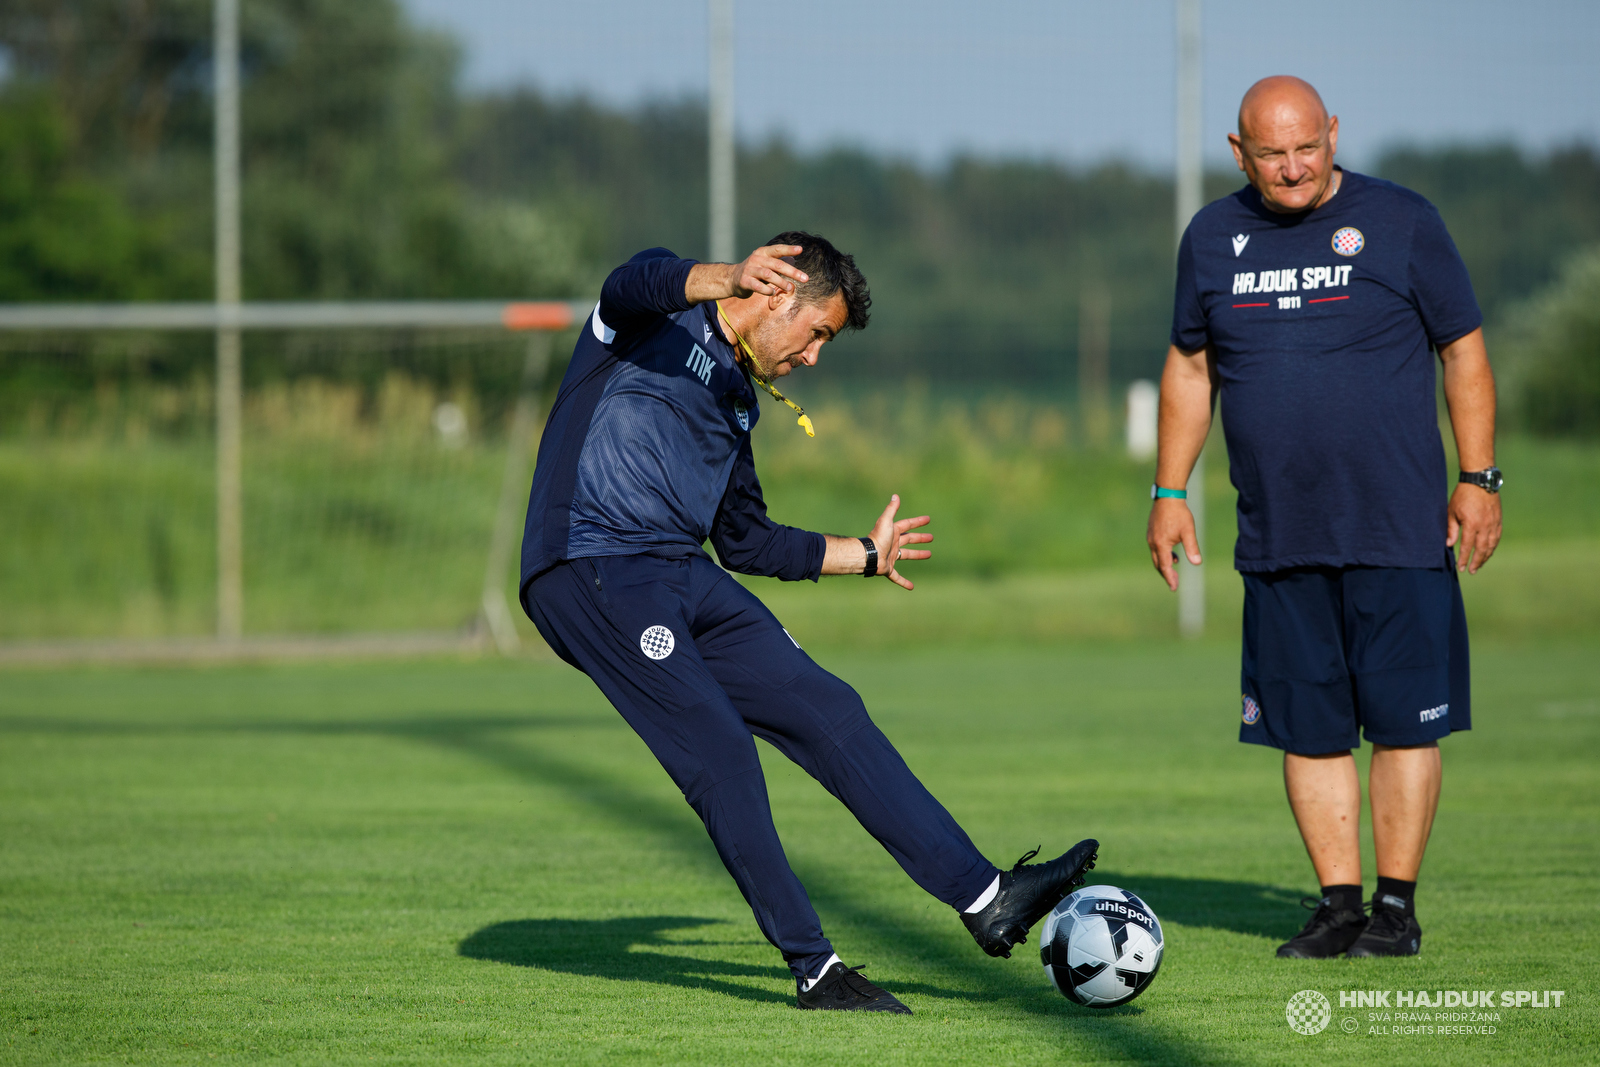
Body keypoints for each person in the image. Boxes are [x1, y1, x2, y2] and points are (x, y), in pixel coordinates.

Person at [520, 231, 1098, 1011]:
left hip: (681, 571)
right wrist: (722, 276)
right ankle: (816, 969)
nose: (815, 357)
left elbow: (746, 540)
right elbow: (629, 280)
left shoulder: (736, 398)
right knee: (719, 744)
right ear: (774, 294)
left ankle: (986, 896)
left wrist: (864, 553)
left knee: (828, 707)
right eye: (817, 332)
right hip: (589, 564)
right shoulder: (651, 317)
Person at [1146, 78, 1501, 958]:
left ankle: (1395, 907)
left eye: (1308, 145)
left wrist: (1479, 476)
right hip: (1278, 535)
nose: (1294, 166)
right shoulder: (1212, 238)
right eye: (1272, 152)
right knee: (1306, 729)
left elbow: (1463, 349)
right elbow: (1191, 369)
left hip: (1399, 528)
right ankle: (1339, 904)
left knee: (1404, 721)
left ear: (1334, 133)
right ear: (1240, 153)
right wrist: (1168, 491)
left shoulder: (1405, 221)